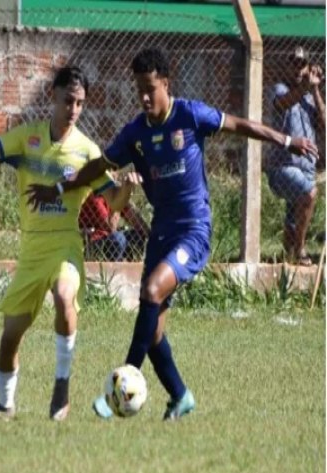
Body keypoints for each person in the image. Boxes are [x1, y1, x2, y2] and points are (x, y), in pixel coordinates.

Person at [25, 48, 318, 421]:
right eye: (139, 90)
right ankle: (180, 396)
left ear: (166, 83)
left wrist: (287, 141)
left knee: (149, 292)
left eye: (150, 88)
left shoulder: (190, 115)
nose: (145, 97)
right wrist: (61, 189)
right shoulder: (135, 133)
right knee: (155, 330)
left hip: (193, 230)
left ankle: (123, 379)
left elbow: (240, 125)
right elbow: (100, 165)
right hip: (162, 233)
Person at [0, 66, 141, 421]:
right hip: (31, 250)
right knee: (10, 336)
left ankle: (61, 388)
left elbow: (115, 204)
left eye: (79, 104)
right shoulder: (27, 138)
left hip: (65, 245)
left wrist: (127, 188)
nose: (73, 109)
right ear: (53, 96)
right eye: (67, 101)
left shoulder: (87, 150)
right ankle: (5, 405)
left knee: (64, 297)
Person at [266, 46, 325, 266]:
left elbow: (324, 124)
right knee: (309, 194)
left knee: (293, 221)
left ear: (308, 67)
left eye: (302, 64)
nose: (298, 68)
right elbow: (284, 103)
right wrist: (304, 87)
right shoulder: (279, 90)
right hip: (283, 168)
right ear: (287, 66)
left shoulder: (310, 96)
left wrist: (316, 90)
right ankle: (301, 250)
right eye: (294, 63)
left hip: (307, 168)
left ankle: (289, 259)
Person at [79, 193, 148, 261]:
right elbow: (110, 227)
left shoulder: (115, 195)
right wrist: (118, 201)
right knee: (118, 238)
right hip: (96, 241)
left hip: (110, 236)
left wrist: (149, 234)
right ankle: (116, 268)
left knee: (139, 235)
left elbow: (137, 221)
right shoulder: (96, 197)